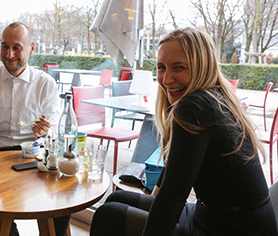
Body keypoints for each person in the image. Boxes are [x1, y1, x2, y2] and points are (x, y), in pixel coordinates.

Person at [90, 27, 278, 236]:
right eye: (161, 67)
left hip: (234, 228)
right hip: (226, 217)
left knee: (110, 214)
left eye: (178, 67)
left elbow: (173, 198)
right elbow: (174, 171)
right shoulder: (215, 97)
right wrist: (154, 203)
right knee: (118, 199)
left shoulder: (194, 107)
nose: (167, 79)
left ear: (202, 67)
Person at [0, 22, 67, 236]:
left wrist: (45, 131)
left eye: (17, 47)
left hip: (35, 156)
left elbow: (53, 129)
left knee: (65, 195)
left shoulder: (46, 84)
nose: (9, 54)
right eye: (5, 46)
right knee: (0, 209)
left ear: (31, 49)